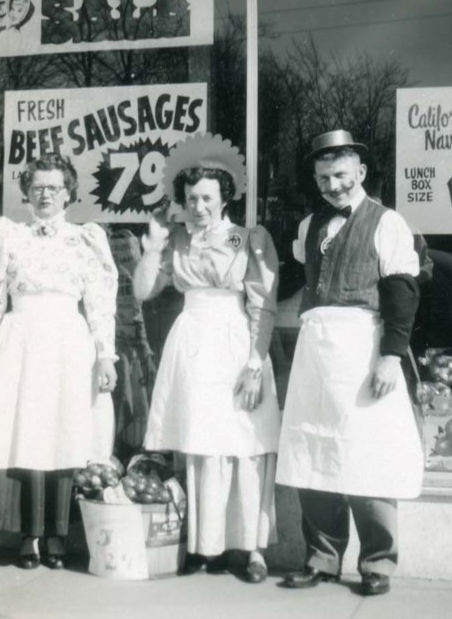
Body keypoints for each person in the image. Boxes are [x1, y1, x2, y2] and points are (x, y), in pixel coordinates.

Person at [276, 130, 424, 596]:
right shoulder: (307, 227)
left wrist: (391, 358)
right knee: (313, 453)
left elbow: (402, 293)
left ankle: (377, 563)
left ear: (359, 172)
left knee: (369, 453)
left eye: (340, 174)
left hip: (364, 345)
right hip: (317, 348)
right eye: (323, 177)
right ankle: (321, 558)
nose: (333, 185)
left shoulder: (387, 223)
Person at [134, 136, 281, 583]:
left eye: (207, 198)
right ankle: (206, 546)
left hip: (236, 340)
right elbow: (142, 291)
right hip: (193, 340)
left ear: (224, 199)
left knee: (244, 441)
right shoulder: (177, 239)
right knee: (201, 444)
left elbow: (264, 302)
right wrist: (154, 245)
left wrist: (255, 363)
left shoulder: (246, 238)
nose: (198, 206)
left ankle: (253, 549)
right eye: (191, 198)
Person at [0, 152, 118, 570]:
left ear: (69, 193)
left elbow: (101, 303)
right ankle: (29, 535)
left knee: (65, 433)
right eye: (38, 188)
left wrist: (106, 354)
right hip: (21, 342)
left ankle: (59, 535)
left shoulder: (87, 238)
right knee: (28, 434)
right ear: (27, 193)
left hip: (69, 341)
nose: (46, 195)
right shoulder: (6, 235)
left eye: (54, 187)